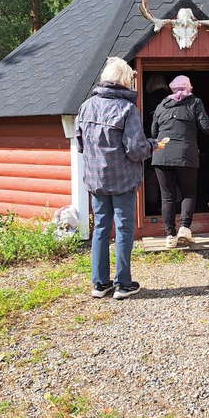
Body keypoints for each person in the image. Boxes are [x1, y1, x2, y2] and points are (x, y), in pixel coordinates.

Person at [75, 57, 165, 299]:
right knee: (124, 229)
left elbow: (80, 145)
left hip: (96, 180)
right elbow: (135, 150)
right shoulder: (127, 109)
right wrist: (153, 145)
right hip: (123, 180)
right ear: (125, 80)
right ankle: (123, 285)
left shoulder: (86, 106)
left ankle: (99, 284)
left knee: (100, 229)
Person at [151, 74, 209, 248]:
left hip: (161, 155)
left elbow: (153, 133)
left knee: (167, 197)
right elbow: (207, 128)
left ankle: (170, 236)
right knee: (188, 193)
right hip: (186, 155)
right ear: (188, 88)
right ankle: (184, 228)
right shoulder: (195, 102)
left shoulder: (161, 106)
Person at [143, 74, 170, 213]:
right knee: (171, 178)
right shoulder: (171, 98)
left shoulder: (149, 100)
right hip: (171, 142)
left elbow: (149, 123)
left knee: (152, 178)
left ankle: (152, 208)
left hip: (154, 142)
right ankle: (175, 208)